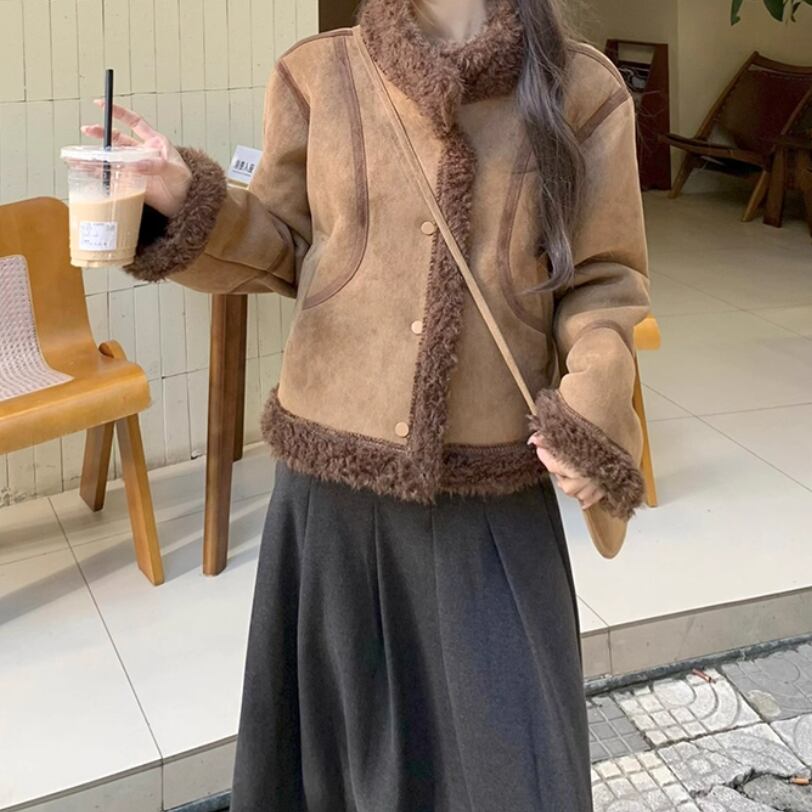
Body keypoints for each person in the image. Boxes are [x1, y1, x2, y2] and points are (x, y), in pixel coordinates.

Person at [83, 0, 650, 807]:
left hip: (491, 494)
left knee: (512, 764)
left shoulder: (583, 90)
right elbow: (285, 246)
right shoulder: (318, 73)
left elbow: (604, 283)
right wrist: (185, 198)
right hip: (331, 494)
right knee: (331, 767)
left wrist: (592, 403)